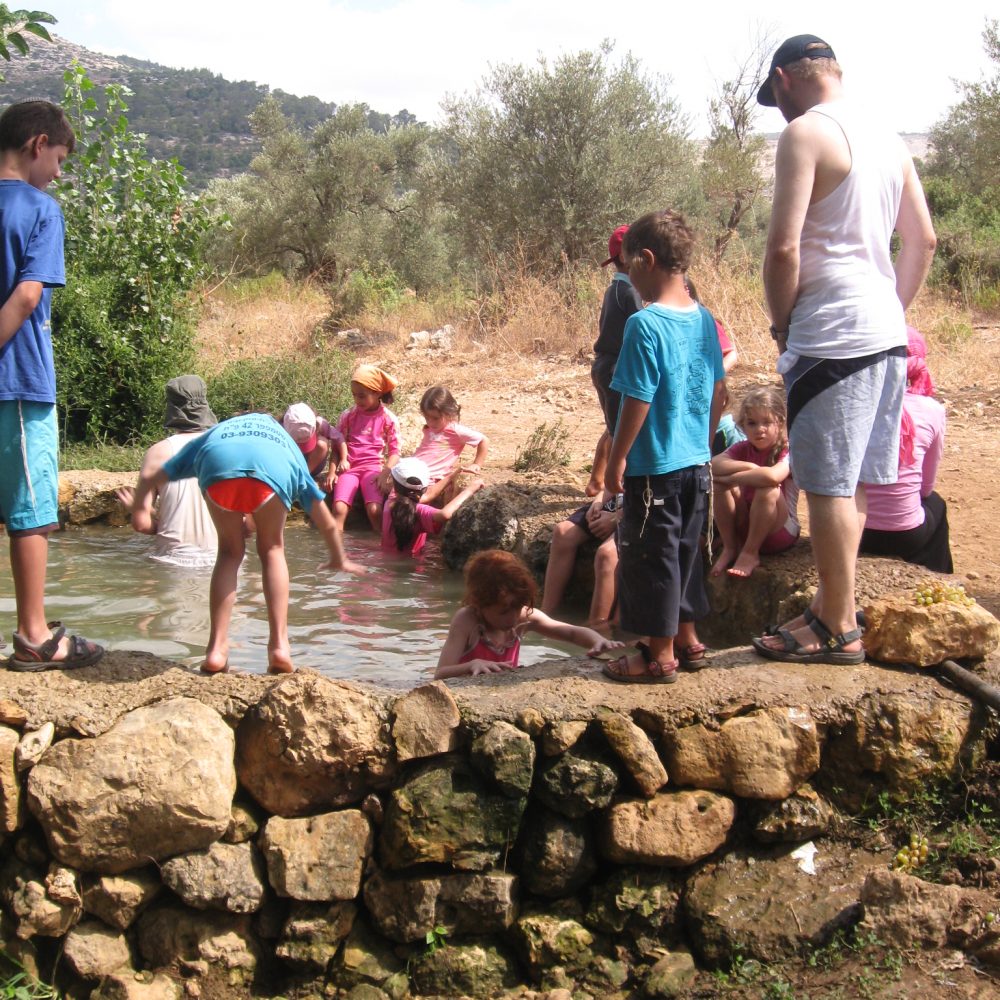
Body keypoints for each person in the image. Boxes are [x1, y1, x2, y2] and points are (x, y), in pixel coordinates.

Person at [753, 34, 936, 666]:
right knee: (852, 483)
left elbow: (783, 249)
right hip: (884, 337)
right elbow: (924, 242)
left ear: (783, 80)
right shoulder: (890, 140)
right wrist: (893, 311)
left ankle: (838, 629)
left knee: (827, 487)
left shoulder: (805, 133)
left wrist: (783, 325)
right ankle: (835, 607)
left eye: (774, 97)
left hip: (830, 335)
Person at [127, 412, 362, 674]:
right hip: (271, 471)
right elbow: (326, 520)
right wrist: (338, 557)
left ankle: (216, 649)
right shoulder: (288, 449)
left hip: (218, 464)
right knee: (272, 549)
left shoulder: (218, 432)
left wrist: (137, 507)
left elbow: (152, 477)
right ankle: (279, 647)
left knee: (229, 553)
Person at [0, 100, 105, 672]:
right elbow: (27, 295)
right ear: (37, 144)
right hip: (16, 381)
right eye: (60, 158)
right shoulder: (39, 209)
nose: (59, 172)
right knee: (31, 509)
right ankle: (35, 635)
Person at [601, 210, 727, 684]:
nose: (626, 275)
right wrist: (702, 441)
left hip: (653, 469)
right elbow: (719, 392)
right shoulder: (704, 319)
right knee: (685, 552)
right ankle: (689, 639)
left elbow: (637, 399)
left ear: (646, 259)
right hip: (696, 465)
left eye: (627, 265)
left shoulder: (644, 325)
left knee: (650, 557)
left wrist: (618, 460)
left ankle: (658, 655)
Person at [435, 549, 623, 679]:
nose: (513, 618)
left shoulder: (523, 617)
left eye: (517, 608)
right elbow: (440, 673)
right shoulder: (466, 621)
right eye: (503, 612)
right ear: (479, 604)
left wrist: (597, 640)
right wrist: (471, 665)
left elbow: (570, 632)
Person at [859, 328, 952, 572]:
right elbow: (926, 487)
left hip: (854, 530)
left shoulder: (857, 404)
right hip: (906, 534)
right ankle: (935, 579)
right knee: (936, 504)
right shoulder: (932, 410)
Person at [116, 375, 220, 568]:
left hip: (173, 561)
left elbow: (141, 524)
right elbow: (245, 522)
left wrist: (140, 509)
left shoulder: (157, 453)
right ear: (205, 404)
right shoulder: (224, 446)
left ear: (171, 408)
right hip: (224, 560)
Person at [711, 385, 800, 579]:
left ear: (780, 422)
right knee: (719, 486)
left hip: (780, 530)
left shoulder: (788, 450)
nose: (760, 429)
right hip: (747, 523)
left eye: (767, 422)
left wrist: (733, 478)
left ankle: (750, 553)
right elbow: (714, 464)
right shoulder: (743, 448)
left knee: (767, 489)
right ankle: (730, 546)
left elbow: (772, 477)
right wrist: (751, 469)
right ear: (743, 426)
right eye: (752, 423)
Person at [586, 225, 643, 497]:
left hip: (604, 366)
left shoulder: (614, 290)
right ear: (626, 257)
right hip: (616, 368)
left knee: (614, 426)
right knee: (622, 429)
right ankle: (614, 488)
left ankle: (597, 480)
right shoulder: (629, 293)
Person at [333, 365, 401, 532]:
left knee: (375, 510)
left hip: (373, 469)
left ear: (377, 393)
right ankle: (335, 551)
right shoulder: (348, 415)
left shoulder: (388, 419)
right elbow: (336, 445)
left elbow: (395, 452)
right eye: (354, 395)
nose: (357, 400)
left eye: (362, 396)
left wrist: (385, 473)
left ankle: (381, 546)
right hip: (350, 468)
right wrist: (333, 471)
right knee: (339, 510)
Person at [382, 456, 484, 556]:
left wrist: (451, 476)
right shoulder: (419, 511)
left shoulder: (389, 502)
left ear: (394, 485)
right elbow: (444, 514)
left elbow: (429, 495)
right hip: (414, 566)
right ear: (423, 489)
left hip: (385, 561)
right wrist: (470, 489)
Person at [541, 495, 619, 627]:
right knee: (563, 532)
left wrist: (617, 517)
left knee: (606, 555)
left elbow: (662, 499)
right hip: (619, 501)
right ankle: (546, 615)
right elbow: (612, 482)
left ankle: (597, 626)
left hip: (643, 511)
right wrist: (598, 502)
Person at [407, 385, 488, 505]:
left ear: (448, 413)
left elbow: (483, 440)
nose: (430, 422)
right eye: (427, 418)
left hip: (431, 476)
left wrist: (477, 464)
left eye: (435, 418)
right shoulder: (429, 428)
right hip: (413, 470)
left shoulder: (454, 430)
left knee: (416, 503)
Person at [281, 402, 347, 490]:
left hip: (312, 464)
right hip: (292, 463)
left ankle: (304, 475)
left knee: (322, 444)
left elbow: (339, 438)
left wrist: (344, 459)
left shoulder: (320, 423)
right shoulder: (280, 428)